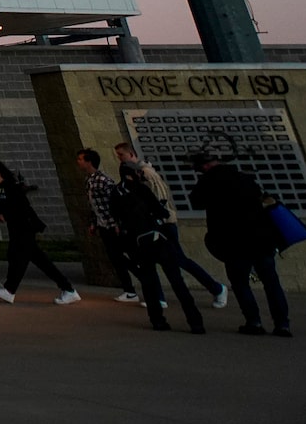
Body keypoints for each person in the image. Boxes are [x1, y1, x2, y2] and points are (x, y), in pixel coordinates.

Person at [189, 151, 292, 337]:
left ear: (203, 167)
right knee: (271, 282)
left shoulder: (208, 182)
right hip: (261, 238)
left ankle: (254, 322)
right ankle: (282, 324)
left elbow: (196, 201)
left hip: (233, 242)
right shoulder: (244, 177)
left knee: (240, 283)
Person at [118, 141, 227, 310]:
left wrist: (156, 216)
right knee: (152, 260)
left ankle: (216, 287)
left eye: (121, 155)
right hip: (153, 224)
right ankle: (159, 297)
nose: (120, 159)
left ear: (131, 155)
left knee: (178, 259)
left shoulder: (146, 173)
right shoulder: (138, 173)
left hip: (163, 224)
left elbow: (160, 199)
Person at [108, 159, 202, 333]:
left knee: (149, 283)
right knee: (177, 281)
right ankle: (195, 321)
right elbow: (160, 210)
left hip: (137, 243)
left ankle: (157, 320)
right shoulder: (142, 189)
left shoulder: (116, 193)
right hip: (157, 239)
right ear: (132, 174)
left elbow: (115, 217)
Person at [0, 157, 80, 304]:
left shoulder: (11, 186)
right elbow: (6, 206)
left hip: (25, 226)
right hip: (14, 227)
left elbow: (21, 206)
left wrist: (6, 215)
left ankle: (10, 289)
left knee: (19, 258)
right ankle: (68, 289)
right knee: (37, 260)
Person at [75, 148, 142, 301]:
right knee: (115, 258)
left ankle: (143, 280)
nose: (78, 162)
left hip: (113, 225)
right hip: (103, 225)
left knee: (123, 256)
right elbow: (93, 205)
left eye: (80, 159)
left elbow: (114, 202)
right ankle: (129, 290)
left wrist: (117, 222)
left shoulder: (103, 179)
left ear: (89, 161)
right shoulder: (89, 180)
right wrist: (94, 223)